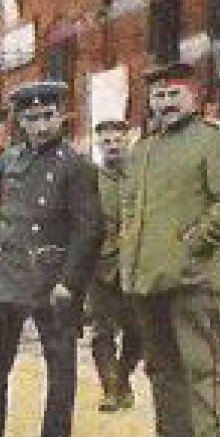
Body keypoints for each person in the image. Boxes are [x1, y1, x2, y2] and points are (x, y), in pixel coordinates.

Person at [0, 81, 102, 437]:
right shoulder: (9, 162)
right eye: (32, 118)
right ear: (21, 121)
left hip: (51, 280)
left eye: (47, 116)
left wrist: (69, 282)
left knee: (60, 364)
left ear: (61, 116)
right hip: (5, 276)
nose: (41, 125)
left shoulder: (76, 167)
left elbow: (86, 231)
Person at [119, 62, 220, 437]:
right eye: (158, 96)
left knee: (201, 364)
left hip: (194, 276)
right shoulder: (143, 149)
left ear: (194, 97)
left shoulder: (213, 141)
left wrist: (193, 242)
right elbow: (130, 208)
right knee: (161, 365)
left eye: (174, 95)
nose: (165, 103)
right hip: (148, 277)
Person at [89, 119, 142, 412]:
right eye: (106, 142)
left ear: (127, 142)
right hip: (100, 266)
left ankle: (122, 378)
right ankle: (110, 388)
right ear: (99, 146)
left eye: (117, 141)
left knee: (138, 330)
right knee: (102, 331)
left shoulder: (141, 176)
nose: (112, 147)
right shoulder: (92, 179)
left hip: (135, 265)